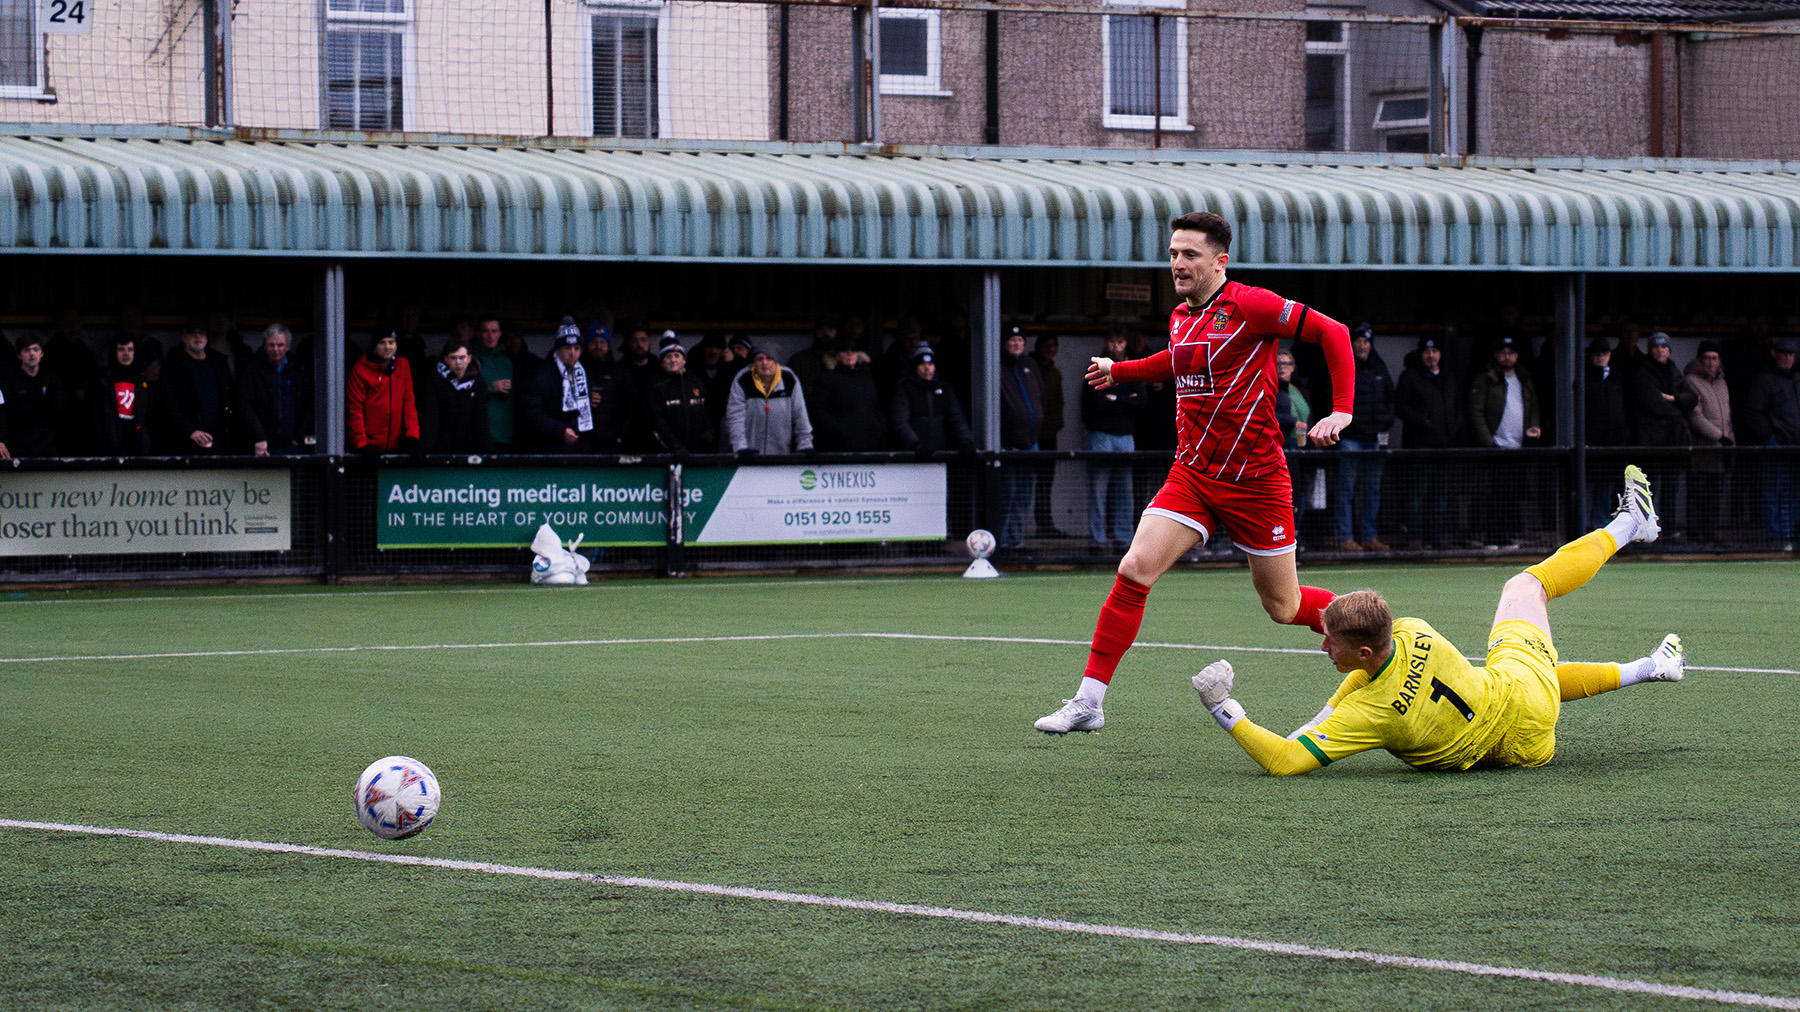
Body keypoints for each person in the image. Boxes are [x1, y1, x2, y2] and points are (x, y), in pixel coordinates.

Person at [1036, 210, 1354, 735]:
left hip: (1256, 481)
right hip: (1192, 475)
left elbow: (1334, 332)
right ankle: (1089, 702)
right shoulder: (1183, 315)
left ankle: (1373, 623)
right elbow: (1177, 362)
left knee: (1284, 605)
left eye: (1189, 255)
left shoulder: (1252, 304)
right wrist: (1121, 371)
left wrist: (1341, 409)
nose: (1178, 264)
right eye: (1173, 254)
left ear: (1219, 261)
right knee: (1135, 569)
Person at [1189, 465, 1683, 775]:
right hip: (1523, 700)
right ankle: (1626, 538)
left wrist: (1222, 706)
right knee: (1526, 588)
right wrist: (1316, 724)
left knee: (1522, 614)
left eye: (1330, 642)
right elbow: (1347, 692)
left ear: (1364, 652)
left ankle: (1633, 531)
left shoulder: (1373, 714)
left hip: (1529, 749)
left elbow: (1284, 760)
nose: (1323, 646)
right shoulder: (1412, 629)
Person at [1467, 335, 1541, 548]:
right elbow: (1476, 411)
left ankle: (1508, 536)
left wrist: (1533, 427)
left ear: (1516, 356)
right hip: (1495, 447)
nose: (1506, 357)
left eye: (1511, 352)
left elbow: (1533, 407)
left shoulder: (1524, 379)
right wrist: (1488, 442)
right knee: (1493, 495)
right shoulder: (1485, 379)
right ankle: (1491, 537)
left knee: (1512, 495)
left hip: (1518, 447)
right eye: (1502, 352)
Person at [1333, 323, 1395, 553]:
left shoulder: (1380, 369)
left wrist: (1383, 424)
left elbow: (1391, 399)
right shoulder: (1345, 365)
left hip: (1374, 439)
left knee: (1372, 489)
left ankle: (1370, 536)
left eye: (1366, 341)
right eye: (1358, 341)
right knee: (1346, 489)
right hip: (1351, 438)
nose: (1362, 345)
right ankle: (1345, 537)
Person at [1628, 331, 1697, 537]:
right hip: (1652, 443)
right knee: (1651, 490)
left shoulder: (1674, 371)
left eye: (1665, 347)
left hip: (1674, 443)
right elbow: (1654, 403)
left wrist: (1675, 399)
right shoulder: (1642, 372)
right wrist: (1680, 405)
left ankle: (1669, 532)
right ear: (1649, 350)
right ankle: (1646, 533)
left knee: (1671, 490)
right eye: (1656, 347)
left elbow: (1692, 398)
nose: (1661, 350)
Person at [1081, 328, 1144, 551]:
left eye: (1121, 341)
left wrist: (1114, 399)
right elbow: (1095, 403)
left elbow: (1141, 402)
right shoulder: (1096, 368)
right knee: (1098, 491)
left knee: (1125, 492)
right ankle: (1097, 541)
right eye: (1114, 341)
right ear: (1107, 343)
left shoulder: (1132, 367)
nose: (1118, 345)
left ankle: (1123, 539)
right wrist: (1126, 400)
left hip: (1126, 437)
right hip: (1101, 437)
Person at [1394, 335, 1455, 549]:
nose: (1431, 355)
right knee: (1417, 494)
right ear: (1421, 355)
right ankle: (1415, 539)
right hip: (1419, 447)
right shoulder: (1410, 377)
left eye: (1435, 351)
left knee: (1439, 495)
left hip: (1443, 447)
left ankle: (1437, 537)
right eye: (1427, 352)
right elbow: (1400, 407)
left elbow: (1453, 408)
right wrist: (1423, 421)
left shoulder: (1447, 377)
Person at [1742, 337, 1800, 549]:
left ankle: (1790, 533)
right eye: (1784, 353)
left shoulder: (1796, 379)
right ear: (1775, 354)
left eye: (1791, 354)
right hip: (1777, 445)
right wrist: (1770, 437)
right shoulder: (1765, 380)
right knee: (1772, 490)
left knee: (1793, 492)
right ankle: (1773, 537)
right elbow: (1753, 413)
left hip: (1796, 448)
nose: (1787, 358)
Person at [158, 320, 235, 455]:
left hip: (218, 439)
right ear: (183, 337)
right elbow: (167, 403)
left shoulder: (217, 362)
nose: (197, 337)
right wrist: (190, 431)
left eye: (201, 333)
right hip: (185, 441)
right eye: (192, 333)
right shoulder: (174, 364)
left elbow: (230, 396)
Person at [518, 319, 595, 452]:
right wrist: (560, 431)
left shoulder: (584, 373)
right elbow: (532, 413)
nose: (572, 352)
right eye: (567, 348)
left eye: (576, 348)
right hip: (548, 448)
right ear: (557, 350)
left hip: (579, 448)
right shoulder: (541, 375)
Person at [236, 323, 313, 456]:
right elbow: (245, 404)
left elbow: (309, 403)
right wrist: (259, 437)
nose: (275, 349)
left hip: (292, 444)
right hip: (262, 444)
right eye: (271, 345)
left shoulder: (299, 368)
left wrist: (299, 436)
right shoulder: (252, 368)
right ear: (265, 346)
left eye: (280, 345)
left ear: (288, 347)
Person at [1684, 341, 1733, 543]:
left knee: (1714, 495)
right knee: (1698, 494)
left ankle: (1711, 533)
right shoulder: (1691, 381)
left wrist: (1731, 444)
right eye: (1706, 358)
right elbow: (1696, 417)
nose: (1711, 363)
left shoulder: (1722, 383)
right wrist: (1720, 437)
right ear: (1699, 360)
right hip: (1701, 450)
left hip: (1720, 452)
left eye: (1714, 358)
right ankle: (1696, 536)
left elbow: (1727, 417)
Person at [888, 342, 975, 455]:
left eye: (930, 364)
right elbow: (900, 422)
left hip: (940, 453)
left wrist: (966, 442)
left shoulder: (944, 388)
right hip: (912, 455)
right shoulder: (904, 389)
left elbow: (957, 418)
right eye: (922, 365)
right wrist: (915, 445)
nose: (927, 368)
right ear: (915, 367)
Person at [726, 346, 813, 456]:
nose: (764, 362)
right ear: (753, 363)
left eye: (769, 359)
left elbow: (800, 413)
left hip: (782, 455)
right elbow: (735, 416)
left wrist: (805, 444)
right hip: (749, 456)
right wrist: (740, 447)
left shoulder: (789, 378)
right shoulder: (743, 378)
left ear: (776, 362)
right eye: (759, 359)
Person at [347, 328, 421, 457]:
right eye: (382, 343)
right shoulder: (361, 368)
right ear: (375, 345)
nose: (388, 347)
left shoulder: (402, 365)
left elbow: (409, 402)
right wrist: (362, 444)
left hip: (397, 447)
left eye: (391, 342)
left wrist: (412, 436)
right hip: (369, 449)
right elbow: (355, 409)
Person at [1583, 337, 1631, 526]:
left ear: (1610, 355)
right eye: (1597, 354)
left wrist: (1623, 435)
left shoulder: (1617, 378)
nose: (1600, 358)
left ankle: (1600, 524)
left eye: (1604, 354)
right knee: (1587, 484)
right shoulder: (1583, 378)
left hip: (1613, 444)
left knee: (1607, 485)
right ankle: (1585, 524)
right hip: (1591, 443)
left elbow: (1625, 409)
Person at [418, 337, 492, 454]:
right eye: (453, 358)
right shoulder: (434, 381)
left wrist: (486, 451)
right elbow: (430, 419)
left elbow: (480, 420)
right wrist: (428, 452)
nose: (458, 362)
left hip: (467, 449)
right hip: (439, 448)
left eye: (462, 357)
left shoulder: (477, 382)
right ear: (446, 359)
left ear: (469, 359)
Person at [810, 339, 884, 451]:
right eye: (844, 350)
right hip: (838, 447)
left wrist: (878, 429)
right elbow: (817, 411)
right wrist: (839, 430)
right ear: (837, 355)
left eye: (853, 350)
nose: (849, 353)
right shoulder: (827, 379)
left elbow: (876, 408)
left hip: (869, 444)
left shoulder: (867, 378)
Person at [1273, 346, 1314, 545]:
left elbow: (1308, 416)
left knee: (1300, 495)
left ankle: (1295, 536)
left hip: (1302, 450)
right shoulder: (1268, 388)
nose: (1283, 367)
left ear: (1294, 367)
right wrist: (1290, 421)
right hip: (1280, 449)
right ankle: (1282, 538)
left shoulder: (1299, 389)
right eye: (1279, 363)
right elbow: (1263, 416)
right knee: (1283, 497)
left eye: (1287, 363)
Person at [648, 333, 714, 455]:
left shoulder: (696, 383)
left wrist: (708, 432)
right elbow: (657, 422)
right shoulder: (657, 387)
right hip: (668, 453)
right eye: (668, 357)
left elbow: (707, 411)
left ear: (684, 360)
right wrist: (675, 447)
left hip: (697, 452)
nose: (673, 360)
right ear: (662, 363)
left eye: (677, 355)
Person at [1, 334, 67, 457]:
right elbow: (7, 414)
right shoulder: (10, 381)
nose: (32, 354)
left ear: (42, 354)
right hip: (19, 446)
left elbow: (61, 411)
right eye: (27, 350)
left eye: (36, 349)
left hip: (48, 446)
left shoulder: (51, 379)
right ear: (19, 355)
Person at [90, 334, 154, 455]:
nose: (126, 354)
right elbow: (96, 417)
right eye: (121, 349)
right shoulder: (103, 380)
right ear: (114, 352)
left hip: (136, 442)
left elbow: (149, 417)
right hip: (110, 442)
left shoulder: (141, 381)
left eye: (130, 349)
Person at [1031, 334, 1067, 537]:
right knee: (1025, 483)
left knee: (1045, 483)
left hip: (1049, 434)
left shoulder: (1055, 371)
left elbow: (1057, 403)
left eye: (1054, 344)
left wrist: (1055, 426)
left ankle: (1045, 525)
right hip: (1031, 435)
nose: (1051, 349)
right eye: (1047, 344)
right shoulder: (1032, 369)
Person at [471, 314, 517, 452]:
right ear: (478, 333)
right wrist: (491, 388)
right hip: (483, 433)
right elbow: (464, 393)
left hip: (508, 432)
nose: (490, 335)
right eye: (486, 331)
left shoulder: (506, 361)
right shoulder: (471, 359)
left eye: (494, 331)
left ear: (500, 334)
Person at [787, 316, 837, 393]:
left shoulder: (845, 360)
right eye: (821, 329)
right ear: (815, 331)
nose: (826, 333)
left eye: (830, 329)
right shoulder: (799, 360)